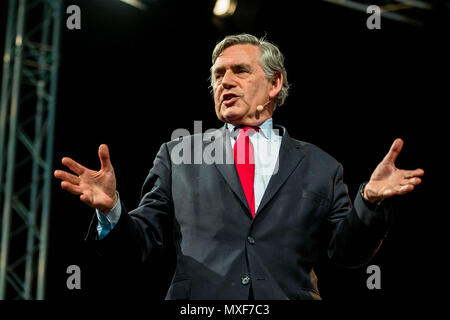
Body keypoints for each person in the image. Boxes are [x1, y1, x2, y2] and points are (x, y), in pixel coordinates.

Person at [54, 34, 424, 300]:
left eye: (241, 71)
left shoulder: (320, 166)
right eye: (218, 75)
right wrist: (111, 211)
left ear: (275, 83)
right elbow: (140, 246)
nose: (225, 82)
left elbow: (347, 254)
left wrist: (370, 202)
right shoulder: (178, 154)